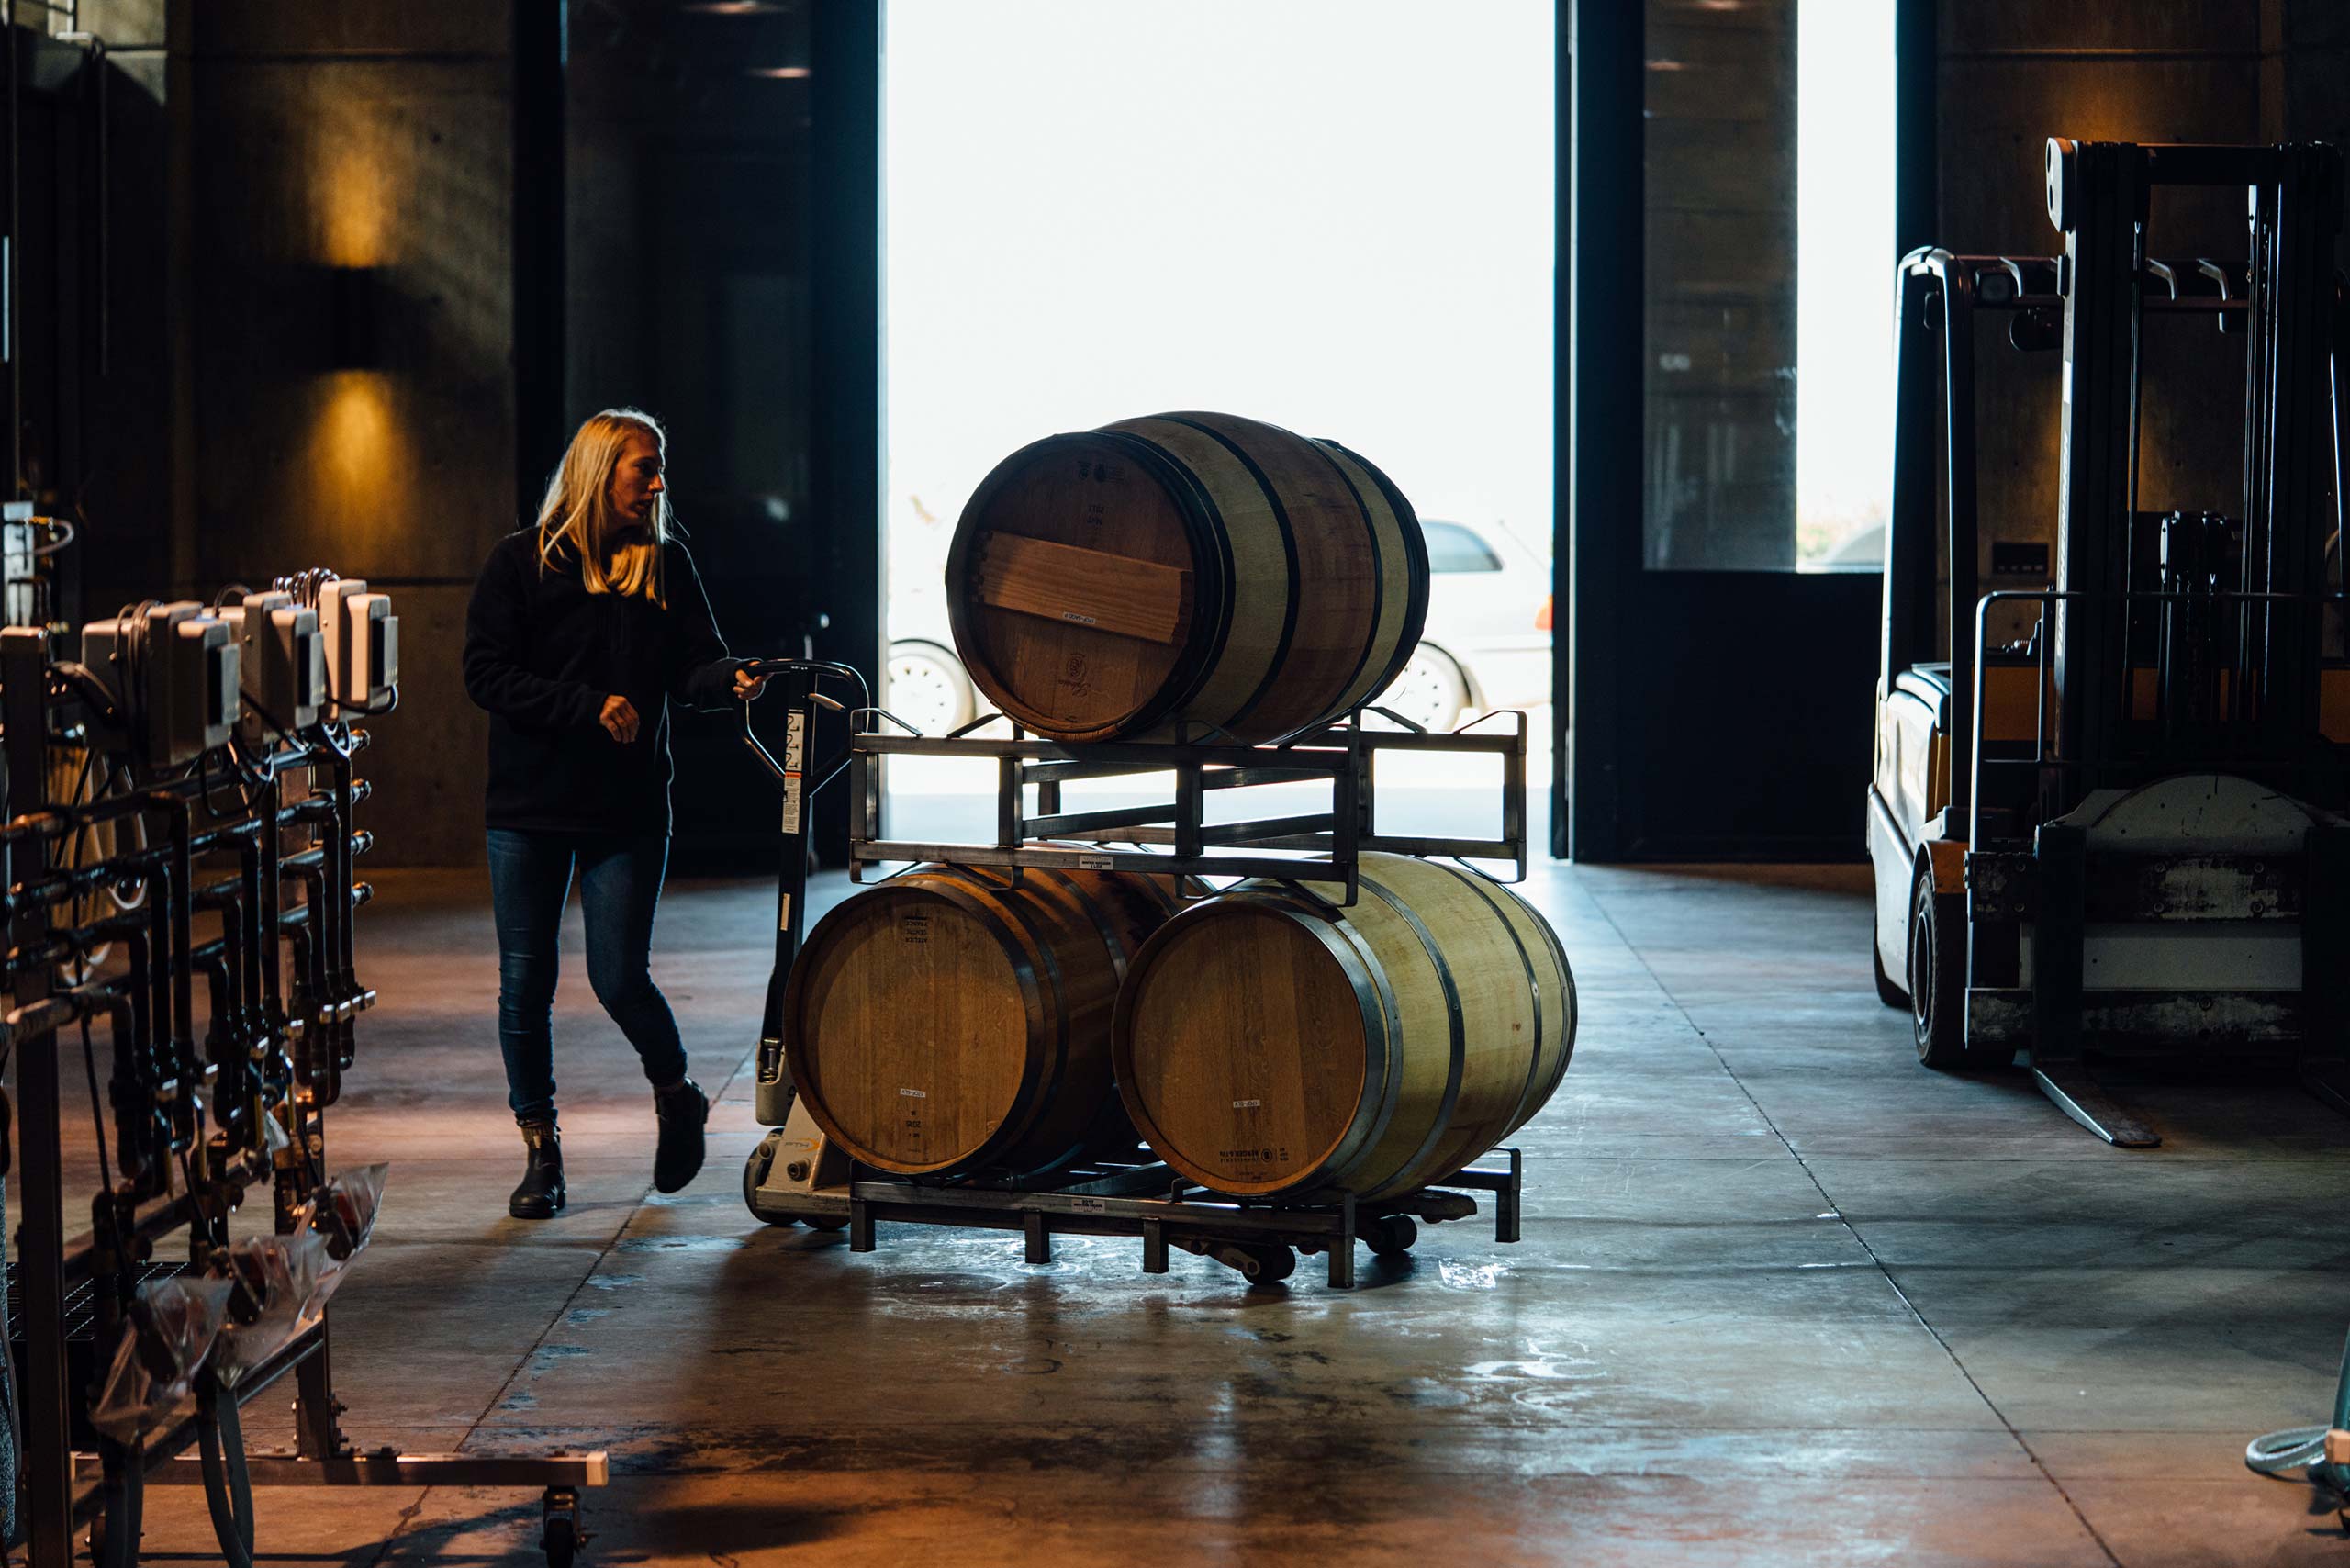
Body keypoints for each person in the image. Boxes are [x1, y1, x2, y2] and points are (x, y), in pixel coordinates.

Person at [463, 408, 767, 1219]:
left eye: (660, 466)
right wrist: (585, 706)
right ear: (602, 471)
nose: (660, 482)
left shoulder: (664, 566)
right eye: (645, 467)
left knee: (618, 978)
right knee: (523, 986)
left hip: (625, 810)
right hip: (527, 810)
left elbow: (693, 666)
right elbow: (484, 675)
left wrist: (726, 679)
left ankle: (677, 1095)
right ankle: (541, 1153)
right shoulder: (518, 565)